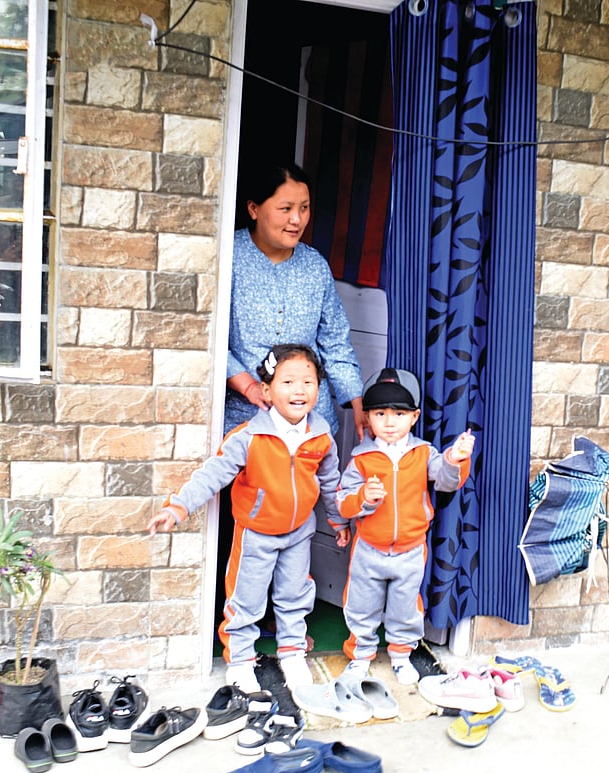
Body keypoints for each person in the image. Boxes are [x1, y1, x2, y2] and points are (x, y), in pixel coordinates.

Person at [147, 344, 347, 692]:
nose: (299, 390)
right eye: (288, 382)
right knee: (246, 599)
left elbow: (330, 481)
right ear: (266, 391)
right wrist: (178, 507)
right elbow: (213, 474)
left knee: (295, 594)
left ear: (318, 389)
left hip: (300, 531)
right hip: (256, 533)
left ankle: (292, 652)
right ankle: (240, 660)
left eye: (308, 382)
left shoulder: (321, 434)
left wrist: (338, 521)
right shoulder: (248, 437)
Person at [334, 368, 475, 685]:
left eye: (398, 414)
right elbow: (342, 500)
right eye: (379, 413)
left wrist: (454, 459)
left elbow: (447, 482)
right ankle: (360, 656)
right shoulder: (360, 458)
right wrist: (363, 498)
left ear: (414, 417)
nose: (389, 422)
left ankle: (401, 656)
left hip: (410, 550)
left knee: (405, 607)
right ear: (367, 418)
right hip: (369, 549)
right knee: (361, 606)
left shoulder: (423, 453)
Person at [225, 162, 365, 439]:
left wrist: (358, 403)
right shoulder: (228, 257)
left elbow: (335, 342)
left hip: (310, 427)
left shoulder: (315, 266)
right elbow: (208, 339)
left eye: (304, 208)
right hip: (244, 422)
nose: (297, 220)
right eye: (286, 208)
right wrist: (248, 386)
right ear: (253, 209)